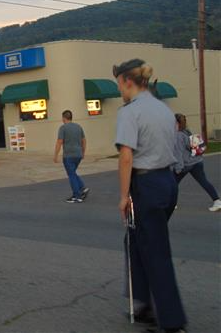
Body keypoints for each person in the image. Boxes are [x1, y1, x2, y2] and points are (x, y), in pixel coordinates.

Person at [113, 58, 186, 333]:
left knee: (155, 251)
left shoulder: (130, 112)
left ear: (127, 81)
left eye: (119, 84)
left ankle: (172, 321)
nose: (119, 89)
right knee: (135, 240)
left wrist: (123, 196)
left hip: (146, 184)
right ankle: (145, 303)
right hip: (167, 181)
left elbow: (126, 156)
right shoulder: (163, 109)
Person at [173, 113, 221, 212]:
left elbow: (179, 153)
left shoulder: (178, 136)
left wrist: (178, 168)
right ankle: (217, 201)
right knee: (204, 182)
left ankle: (172, 204)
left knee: (172, 183)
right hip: (197, 161)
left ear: (177, 123)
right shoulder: (187, 131)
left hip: (186, 164)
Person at [53, 110, 89, 203]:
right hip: (78, 155)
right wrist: (83, 152)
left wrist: (55, 155)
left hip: (68, 156)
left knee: (71, 175)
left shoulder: (63, 128)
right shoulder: (78, 127)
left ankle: (77, 196)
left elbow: (59, 142)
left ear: (64, 118)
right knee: (72, 173)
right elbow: (84, 140)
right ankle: (82, 188)